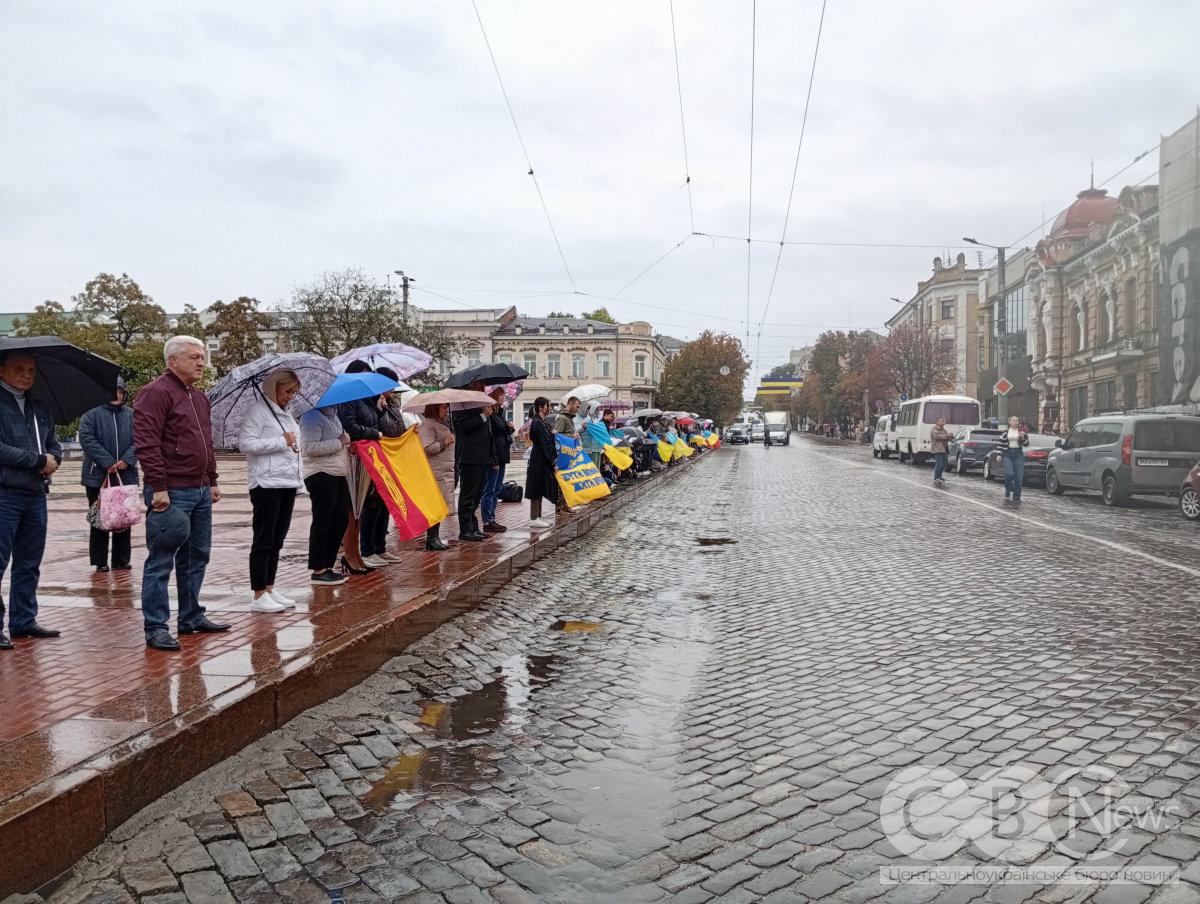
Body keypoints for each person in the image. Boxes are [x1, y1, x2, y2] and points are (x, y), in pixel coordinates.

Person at [134, 336, 228, 651]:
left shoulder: (199, 397)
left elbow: (207, 442)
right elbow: (146, 442)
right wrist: (158, 486)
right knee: (161, 560)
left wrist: (212, 479)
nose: (202, 362)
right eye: (194, 357)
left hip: (200, 489)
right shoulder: (155, 393)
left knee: (197, 556)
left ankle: (190, 616)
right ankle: (156, 627)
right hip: (171, 490)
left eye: (203, 357)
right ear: (173, 360)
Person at [0, 350, 63, 648]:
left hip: (35, 494)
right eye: (20, 369)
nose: (27, 374)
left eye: (31, 370)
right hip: (5, 493)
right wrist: (36, 460)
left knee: (29, 562)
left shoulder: (39, 407)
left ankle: (23, 621)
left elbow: (53, 443)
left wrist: (54, 457)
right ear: (2, 371)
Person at [240, 368, 305, 611]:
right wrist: (281, 441)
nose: (290, 396)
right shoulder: (258, 412)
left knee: (278, 539)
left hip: (286, 481)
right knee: (264, 539)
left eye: (294, 392)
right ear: (274, 387)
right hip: (266, 483)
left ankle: (269, 587)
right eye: (287, 391)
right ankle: (258, 594)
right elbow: (246, 443)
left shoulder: (285, 413)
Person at [79, 376, 138, 573]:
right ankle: (99, 560)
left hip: (126, 474)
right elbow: (87, 439)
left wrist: (126, 460)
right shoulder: (91, 414)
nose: (117, 395)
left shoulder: (132, 415)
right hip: (97, 475)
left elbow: (140, 439)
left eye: (120, 391)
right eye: (114, 391)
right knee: (99, 519)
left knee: (124, 517)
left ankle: (121, 559)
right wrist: (108, 462)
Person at [339, 363, 395, 568]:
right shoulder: (348, 398)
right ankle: (363, 550)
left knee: (378, 501)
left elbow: (374, 423)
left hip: (371, 456)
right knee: (363, 505)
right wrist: (374, 434)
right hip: (357, 458)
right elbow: (351, 426)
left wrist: (379, 410)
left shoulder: (367, 399)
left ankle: (371, 550)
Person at [299, 403, 351, 584]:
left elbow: (339, 442)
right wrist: (340, 442)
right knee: (323, 521)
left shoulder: (334, 416)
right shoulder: (311, 417)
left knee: (341, 519)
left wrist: (345, 448)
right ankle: (318, 568)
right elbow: (308, 448)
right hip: (320, 474)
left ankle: (327, 565)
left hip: (338, 472)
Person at [452, 385, 493, 542]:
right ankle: (465, 529)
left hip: (481, 456)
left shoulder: (479, 404)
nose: (482, 387)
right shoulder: (462, 404)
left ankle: (473, 526)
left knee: (477, 495)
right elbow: (463, 426)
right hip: (469, 456)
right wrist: (483, 415)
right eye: (479, 384)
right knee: (468, 495)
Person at [418, 402, 455, 550]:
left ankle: (435, 537)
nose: (446, 410)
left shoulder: (442, 424)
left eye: (447, 407)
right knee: (434, 506)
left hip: (444, 469)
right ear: (434, 408)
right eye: (443, 407)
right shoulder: (428, 425)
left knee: (440, 506)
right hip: (435, 471)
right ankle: (431, 538)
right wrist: (444, 442)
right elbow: (427, 448)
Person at [480, 387, 514, 533]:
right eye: (500, 394)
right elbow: (495, 433)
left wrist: (509, 428)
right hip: (494, 456)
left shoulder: (499, 413)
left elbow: (504, 431)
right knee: (490, 489)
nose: (503, 397)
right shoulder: (491, 415)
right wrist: (507, 427)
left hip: (501, 455)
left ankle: (492, 518)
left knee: (497, 488)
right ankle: (487, 520)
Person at [526, 397, 558, 530]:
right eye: (547, 405)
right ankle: (534, 517)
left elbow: (546, 439)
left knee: (539, 485)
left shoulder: (541, 422)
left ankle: (537, 516)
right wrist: (552, 462)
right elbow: (544, 443)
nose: (549, 408)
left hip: (541, 457)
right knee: (536, 486)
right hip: (539, 458)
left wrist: (551, 433)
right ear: (540, 407)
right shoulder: (538, 422)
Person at [998, 414, 1030, 502]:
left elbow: (1026, 443)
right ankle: (1008, 489)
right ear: (1010, 422)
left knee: (1018, 477)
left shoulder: (1021, 432)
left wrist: (1023, 438)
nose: (1016, 422)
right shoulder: (1005, 433)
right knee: (1009, 473)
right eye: (1014, 421)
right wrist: (999, 454)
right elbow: (1000, 444)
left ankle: (1017, 496)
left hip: (1018, 454)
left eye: (1017, 421)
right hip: (1007, 454)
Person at [930, 416, 951, 486]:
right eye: (941, 421)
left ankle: (939, 475)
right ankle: (936, 478)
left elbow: (946, 438)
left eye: (944, 421)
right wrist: (946, 435)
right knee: (939, 464)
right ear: (937, 422)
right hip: (937, 449)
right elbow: (937, 436)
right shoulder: (934, 429)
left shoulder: (944, 430)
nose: (943, 422)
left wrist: (950, 436)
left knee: (945, 463)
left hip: (944, 449)